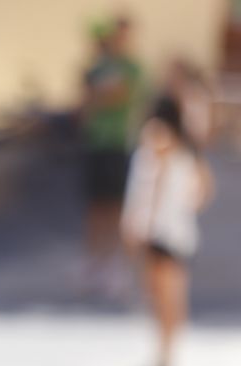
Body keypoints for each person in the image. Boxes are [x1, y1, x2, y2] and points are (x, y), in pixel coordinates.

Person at [121, 96, 214, 366]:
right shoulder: (184, 150)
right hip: (173, 231)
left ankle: (164, 360)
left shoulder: (161, 145)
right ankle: (164, 358)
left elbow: (152, 187)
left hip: (163, 232)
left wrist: (142, 222)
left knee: (164, 298)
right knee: (166, 298)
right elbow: (203, 189)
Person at [79, 16, 143, 298]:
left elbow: (121, 97)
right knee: (96, 205)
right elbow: (84, 101)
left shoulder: (133, 68)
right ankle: (94, 261)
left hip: (120, 144)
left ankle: (115, 264)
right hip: (97, 143)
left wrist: (99, 95)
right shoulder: (98, 67)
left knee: (118, 207)